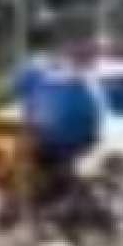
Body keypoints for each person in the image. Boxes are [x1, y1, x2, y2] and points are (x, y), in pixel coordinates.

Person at [12, 45, 103, 210]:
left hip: (49, 131)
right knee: (66, 163)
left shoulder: (31, 71)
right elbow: (93, 103)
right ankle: (70, 196)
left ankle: (30, 201)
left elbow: (21, 96)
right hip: (86, 132)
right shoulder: (76, 71)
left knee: (25, 155)